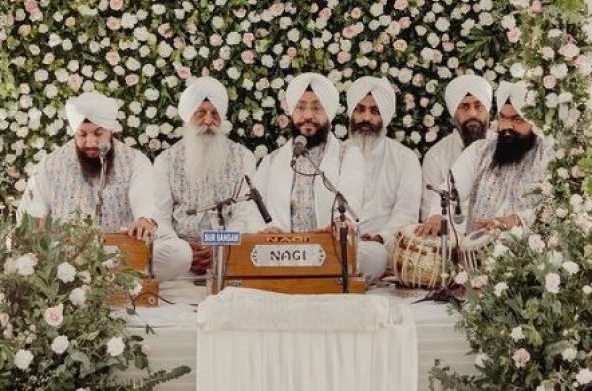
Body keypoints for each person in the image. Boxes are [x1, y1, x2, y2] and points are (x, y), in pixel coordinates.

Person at [16, 91, 182, 279]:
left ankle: (121, 277)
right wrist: (36, 228)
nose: (90, 142)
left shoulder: (135, 160)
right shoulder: (50, 165)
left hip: (122, 252)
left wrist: (144, 219)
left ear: (110, 130)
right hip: (67, 258)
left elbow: (145, 197)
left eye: (98, 133)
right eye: (82, 134)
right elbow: (30, 212)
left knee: (178, 254)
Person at [254, 72, 382, 277]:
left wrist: (342, 221)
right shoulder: (271, 161)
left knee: (376, 256)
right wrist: (264, 230)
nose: (307, 116)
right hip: (280, 251)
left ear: (329, 113)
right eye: (300, 107)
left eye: (316, 107)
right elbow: (252, 209)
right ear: (291, 113)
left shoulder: (347, 155)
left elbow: (352, 193)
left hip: (329, 247)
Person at [153, 77, 259, 277]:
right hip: (180, 257)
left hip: (230, 254)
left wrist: (218, 246)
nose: (208, 121)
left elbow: (245, 214)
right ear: (187, 116)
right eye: (200, 113)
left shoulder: (243, 157)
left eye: (215, 114)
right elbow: (160, 217)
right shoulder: (166, 161)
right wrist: (183, 250)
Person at [418, 81, 550, 236]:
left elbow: (556, 207)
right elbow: (450, 188)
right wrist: (437, 215)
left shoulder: (547, 156)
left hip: (530, 251)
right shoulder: (479, 151)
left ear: (533, 122)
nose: (507, 126)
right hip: (476, 251)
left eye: (517, 119)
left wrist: (517, 220)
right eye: (503, 118)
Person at [346, 76, 422, 280]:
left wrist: (380, 237)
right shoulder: (336, 155)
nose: (366, 118)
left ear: (385, 117)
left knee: (374, 256)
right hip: (337, 245)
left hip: (380, 248)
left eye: (375, 111)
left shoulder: (405, 158)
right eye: (359, 109)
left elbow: (407, 214)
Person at [420, 74, 493, 222]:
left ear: (488, 111)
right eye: (464, 107)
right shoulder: (436, 156)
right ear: (454, 114)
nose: (472, 113)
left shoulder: (504, 147)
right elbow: (429, 214)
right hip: (451, 237)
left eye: (478, 106)